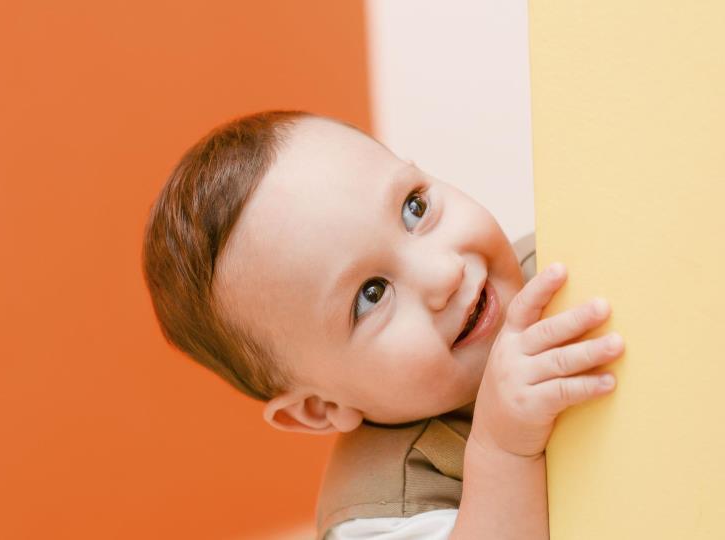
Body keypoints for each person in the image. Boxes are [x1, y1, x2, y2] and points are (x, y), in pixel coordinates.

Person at [141, 110, 625, 539]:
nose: (443, 273)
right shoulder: (380, 513)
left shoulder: (558, 263)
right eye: (371, 294)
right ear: (320, 407)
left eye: (415, 208)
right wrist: (502, 450)